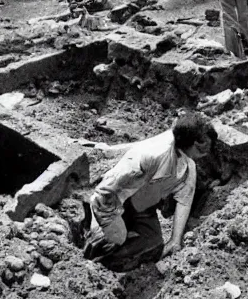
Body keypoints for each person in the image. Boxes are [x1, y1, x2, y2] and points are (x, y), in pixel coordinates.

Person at [82, 113, 217, 272]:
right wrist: (103, 220)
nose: (206, 152)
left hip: (142, 206)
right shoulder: (152, 155)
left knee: (153, 245)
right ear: (194, 143)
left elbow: (184, 200)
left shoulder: (187, 166)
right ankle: (91, 264)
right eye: (204, 147)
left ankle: (110, 260)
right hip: (114, 200)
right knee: (114, 239)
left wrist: (175, 240)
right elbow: (106, 190)